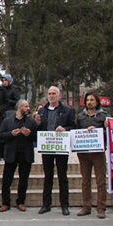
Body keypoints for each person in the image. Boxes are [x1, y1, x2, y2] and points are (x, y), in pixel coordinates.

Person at [35, 86, 76, 215]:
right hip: (47, 146)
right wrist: (36, 123)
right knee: (48, 176)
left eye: (54, 93)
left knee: (62, 176)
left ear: (59, 96)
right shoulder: (42, 111)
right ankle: (46, 204)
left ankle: (64, 205)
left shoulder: (67, 110)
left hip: (60, 146)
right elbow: (38, 128)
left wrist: (65, 129)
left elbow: (73, 126)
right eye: (49, 93)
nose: (51, 96)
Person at [0, 99, 37, 212]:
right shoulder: (7, 121)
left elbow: (36, 137)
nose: (28, 108)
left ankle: (21, 202)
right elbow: (0, 135)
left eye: (28, 106)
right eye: (26, 106)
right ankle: (6, 203)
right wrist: (11, 134)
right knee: (6, 181)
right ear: (20, 108)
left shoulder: (31, 122)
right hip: (11, 154)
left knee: (23, 180)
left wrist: (29, 135)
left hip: (26, 154)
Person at [76, 93, 108, 218]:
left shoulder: (104, 116)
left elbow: (109, 133)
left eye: (92, 100)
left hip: (98, 152)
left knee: (100, 181)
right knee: (85, 181)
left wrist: (102, 129)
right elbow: (76, 130)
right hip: (83, 152)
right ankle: (86, 206)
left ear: (97, 102)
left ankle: (101, 208)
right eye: (87, 100)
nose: (89, 102)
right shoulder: (80, 116)